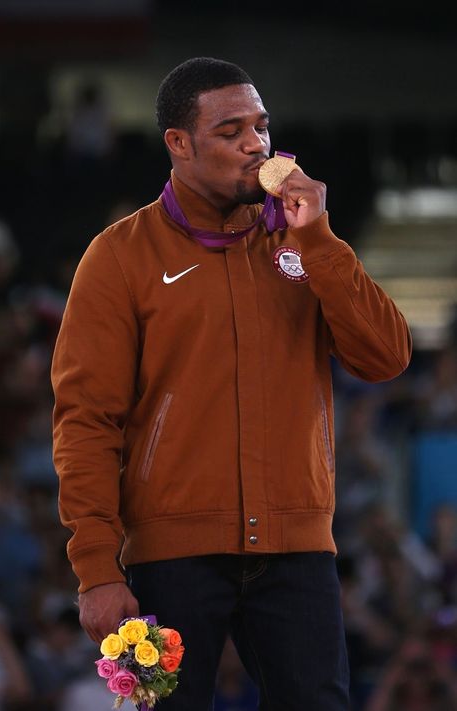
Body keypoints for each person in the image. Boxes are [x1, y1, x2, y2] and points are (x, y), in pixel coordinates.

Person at [51, 57, 412, 710]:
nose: (256, 144)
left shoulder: (302, 246)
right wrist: (97, 571)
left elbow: (386, 357)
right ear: (178, 144)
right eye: (231, 130)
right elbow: (85, 421)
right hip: (170, 557)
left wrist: (320, 239)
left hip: (295, 549)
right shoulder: (120, 255)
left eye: (262, 127)